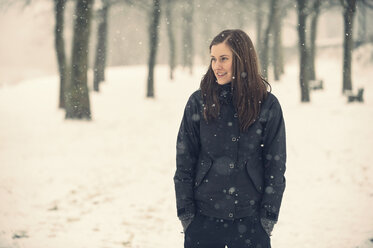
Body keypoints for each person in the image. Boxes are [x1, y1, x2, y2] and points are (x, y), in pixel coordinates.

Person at [174, 29, 286, 248]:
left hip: (251, 221)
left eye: (224, 59)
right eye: (213, 59)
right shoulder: (198, 102)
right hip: (203, 220)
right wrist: (186, 215)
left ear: (242, 60)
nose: (217, 66)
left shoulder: (267, 105)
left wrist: (268, 217)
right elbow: (184, 161)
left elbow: (276, 164)